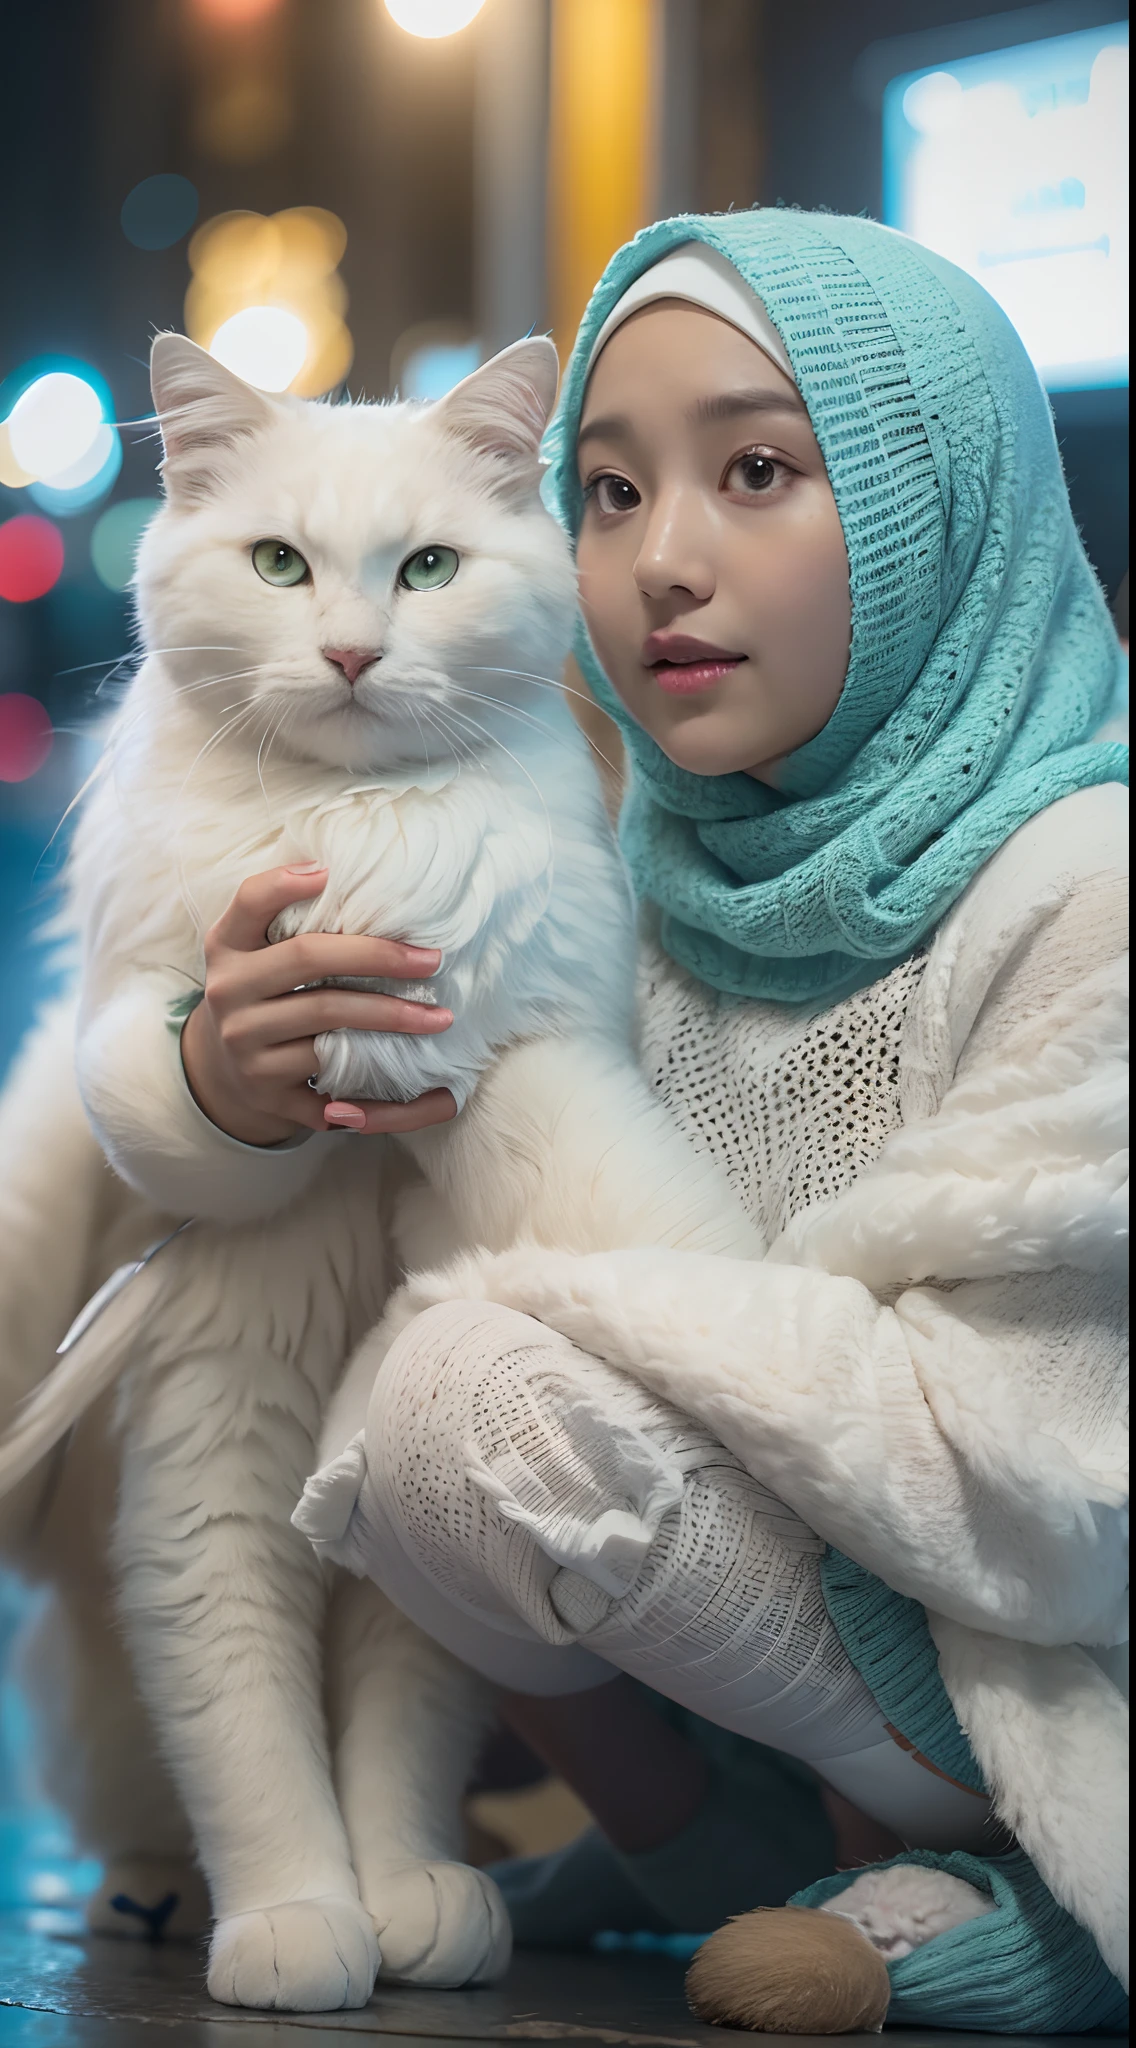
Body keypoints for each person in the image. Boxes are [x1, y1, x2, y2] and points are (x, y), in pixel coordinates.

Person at [99, 210, 1127, 2031]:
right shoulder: (639, 867)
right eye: (604, 491)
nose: (663, 561)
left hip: (1034, 1661)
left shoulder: (1088, 887)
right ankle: (723, 1851)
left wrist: (540, 1308)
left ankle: (1015, 1863)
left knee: (457, 1396)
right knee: (390, 1404)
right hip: (731, 1671)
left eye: (754, 471)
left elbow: (1048, 1495)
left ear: (931, 499)